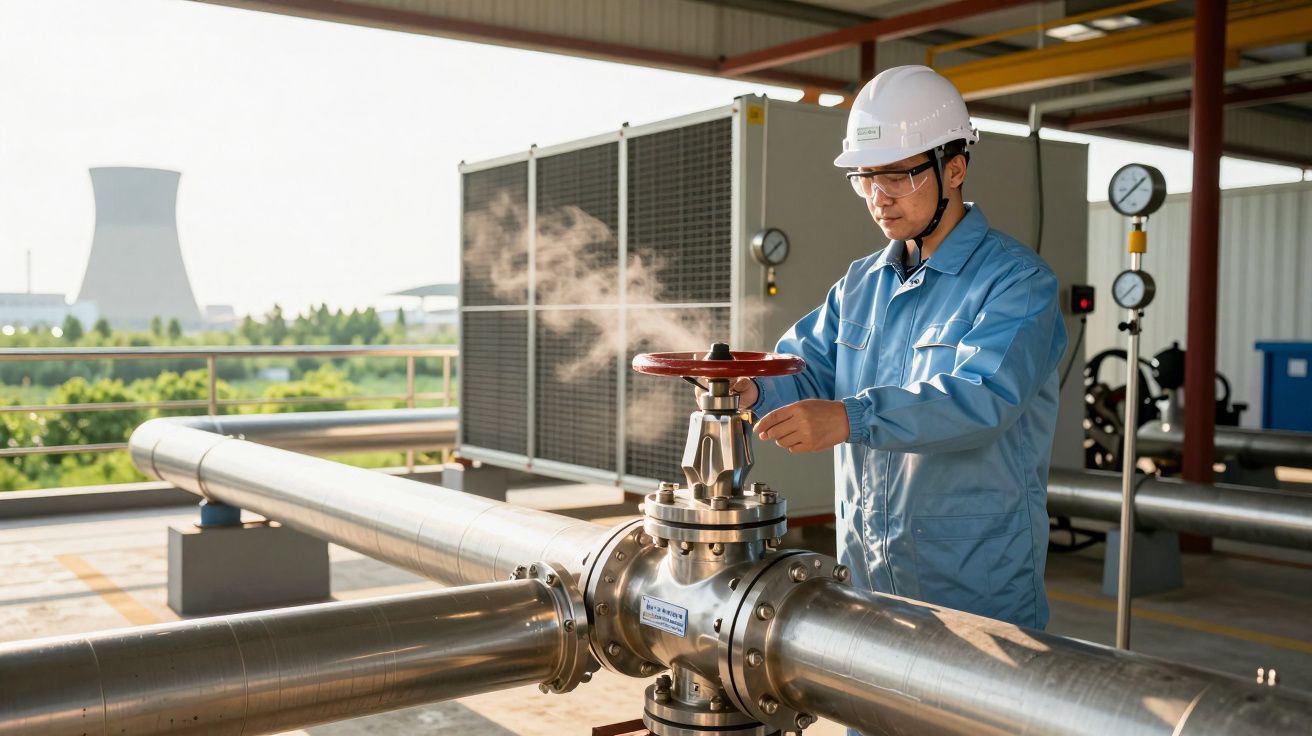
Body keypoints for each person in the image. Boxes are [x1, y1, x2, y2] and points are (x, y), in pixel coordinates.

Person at [725, 65, 1067, 630]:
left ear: (954, 168)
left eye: (897, 176)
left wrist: (850, 418)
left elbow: (980, 399)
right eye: (865, 178)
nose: (878, 198)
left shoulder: (1017, 283)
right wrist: (751, 386)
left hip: (975, 585)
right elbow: (804, 370)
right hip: (866, 577)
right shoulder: (861, 284)